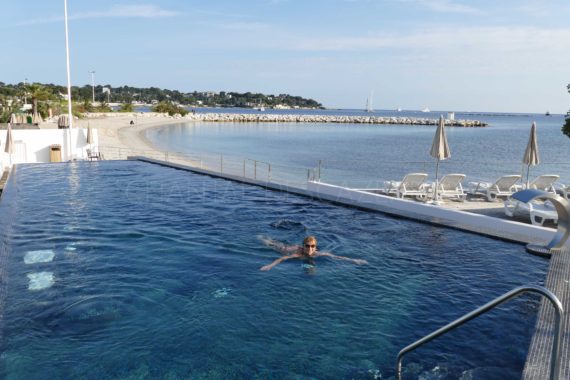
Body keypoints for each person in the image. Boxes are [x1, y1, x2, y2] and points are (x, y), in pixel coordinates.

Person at [259, 235, 368, 271]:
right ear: (304, 246)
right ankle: (262, 238)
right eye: (307, 246)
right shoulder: (298, 255)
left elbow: (336, 257)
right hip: (283, 249)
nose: (310, 248)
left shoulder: (318, 254)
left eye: (312, 246)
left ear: (315, 247)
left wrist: (354, 260)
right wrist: (270, 266)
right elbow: (281, 259)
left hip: (296, 249)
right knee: (270, 244)